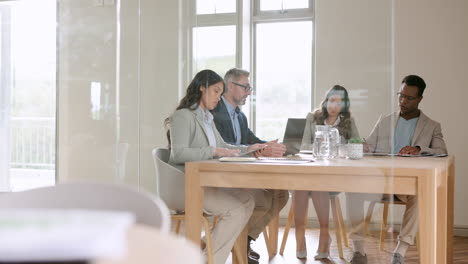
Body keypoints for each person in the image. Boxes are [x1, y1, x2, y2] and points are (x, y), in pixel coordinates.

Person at [167, 69, 266, 264]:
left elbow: (224, 147)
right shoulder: (183, 116)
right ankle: (211, 260)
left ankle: (208, 251)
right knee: (236, 210)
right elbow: (178, 154)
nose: (218, 98)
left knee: (247, 201)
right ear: (202, 88)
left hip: (203, 183)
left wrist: (249, 148)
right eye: (215, 91)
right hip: (187, 185)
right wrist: (212, 151)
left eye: (220, 94)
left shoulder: (207, 118)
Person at [346, 75, 448, 264]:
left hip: (405, 184)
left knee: (420, 194)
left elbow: (442, 151)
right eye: (400, 96)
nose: (402, 101)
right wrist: (364, 146)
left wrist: (418, 149)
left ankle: (400, 251)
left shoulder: (432, 126)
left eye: (408, 98)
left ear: (419, 99)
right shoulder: (384, 121)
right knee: (353, 191)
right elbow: (369, 144)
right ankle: (359, 250)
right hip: (378, 181)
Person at [211, 68, 289, 263]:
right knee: (261, 197)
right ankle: (234, 243)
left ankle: (244, 240)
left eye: (249, 87)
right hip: (222, 176)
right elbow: (227, 146)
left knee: (281, 194)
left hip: (239, 174)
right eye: (245, 87)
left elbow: (250, 141)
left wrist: (269, 146)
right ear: (230, 86)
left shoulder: (240, 116)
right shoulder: (215, 113)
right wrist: (257, 148)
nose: (249, 92)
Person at [294, 85, 360, 260]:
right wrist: (328, 145)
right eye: (331, 100)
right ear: (326, 101)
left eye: (338, 102)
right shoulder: (312, 118)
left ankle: (324, 237)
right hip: (309, 172)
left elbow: (356, 144)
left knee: (318, 185)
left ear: (344, 106)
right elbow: (302, 146)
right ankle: (300, 240)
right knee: (300, 186)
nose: (333, 106)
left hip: (331, 177)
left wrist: (339, 146)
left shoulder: (348, 122)